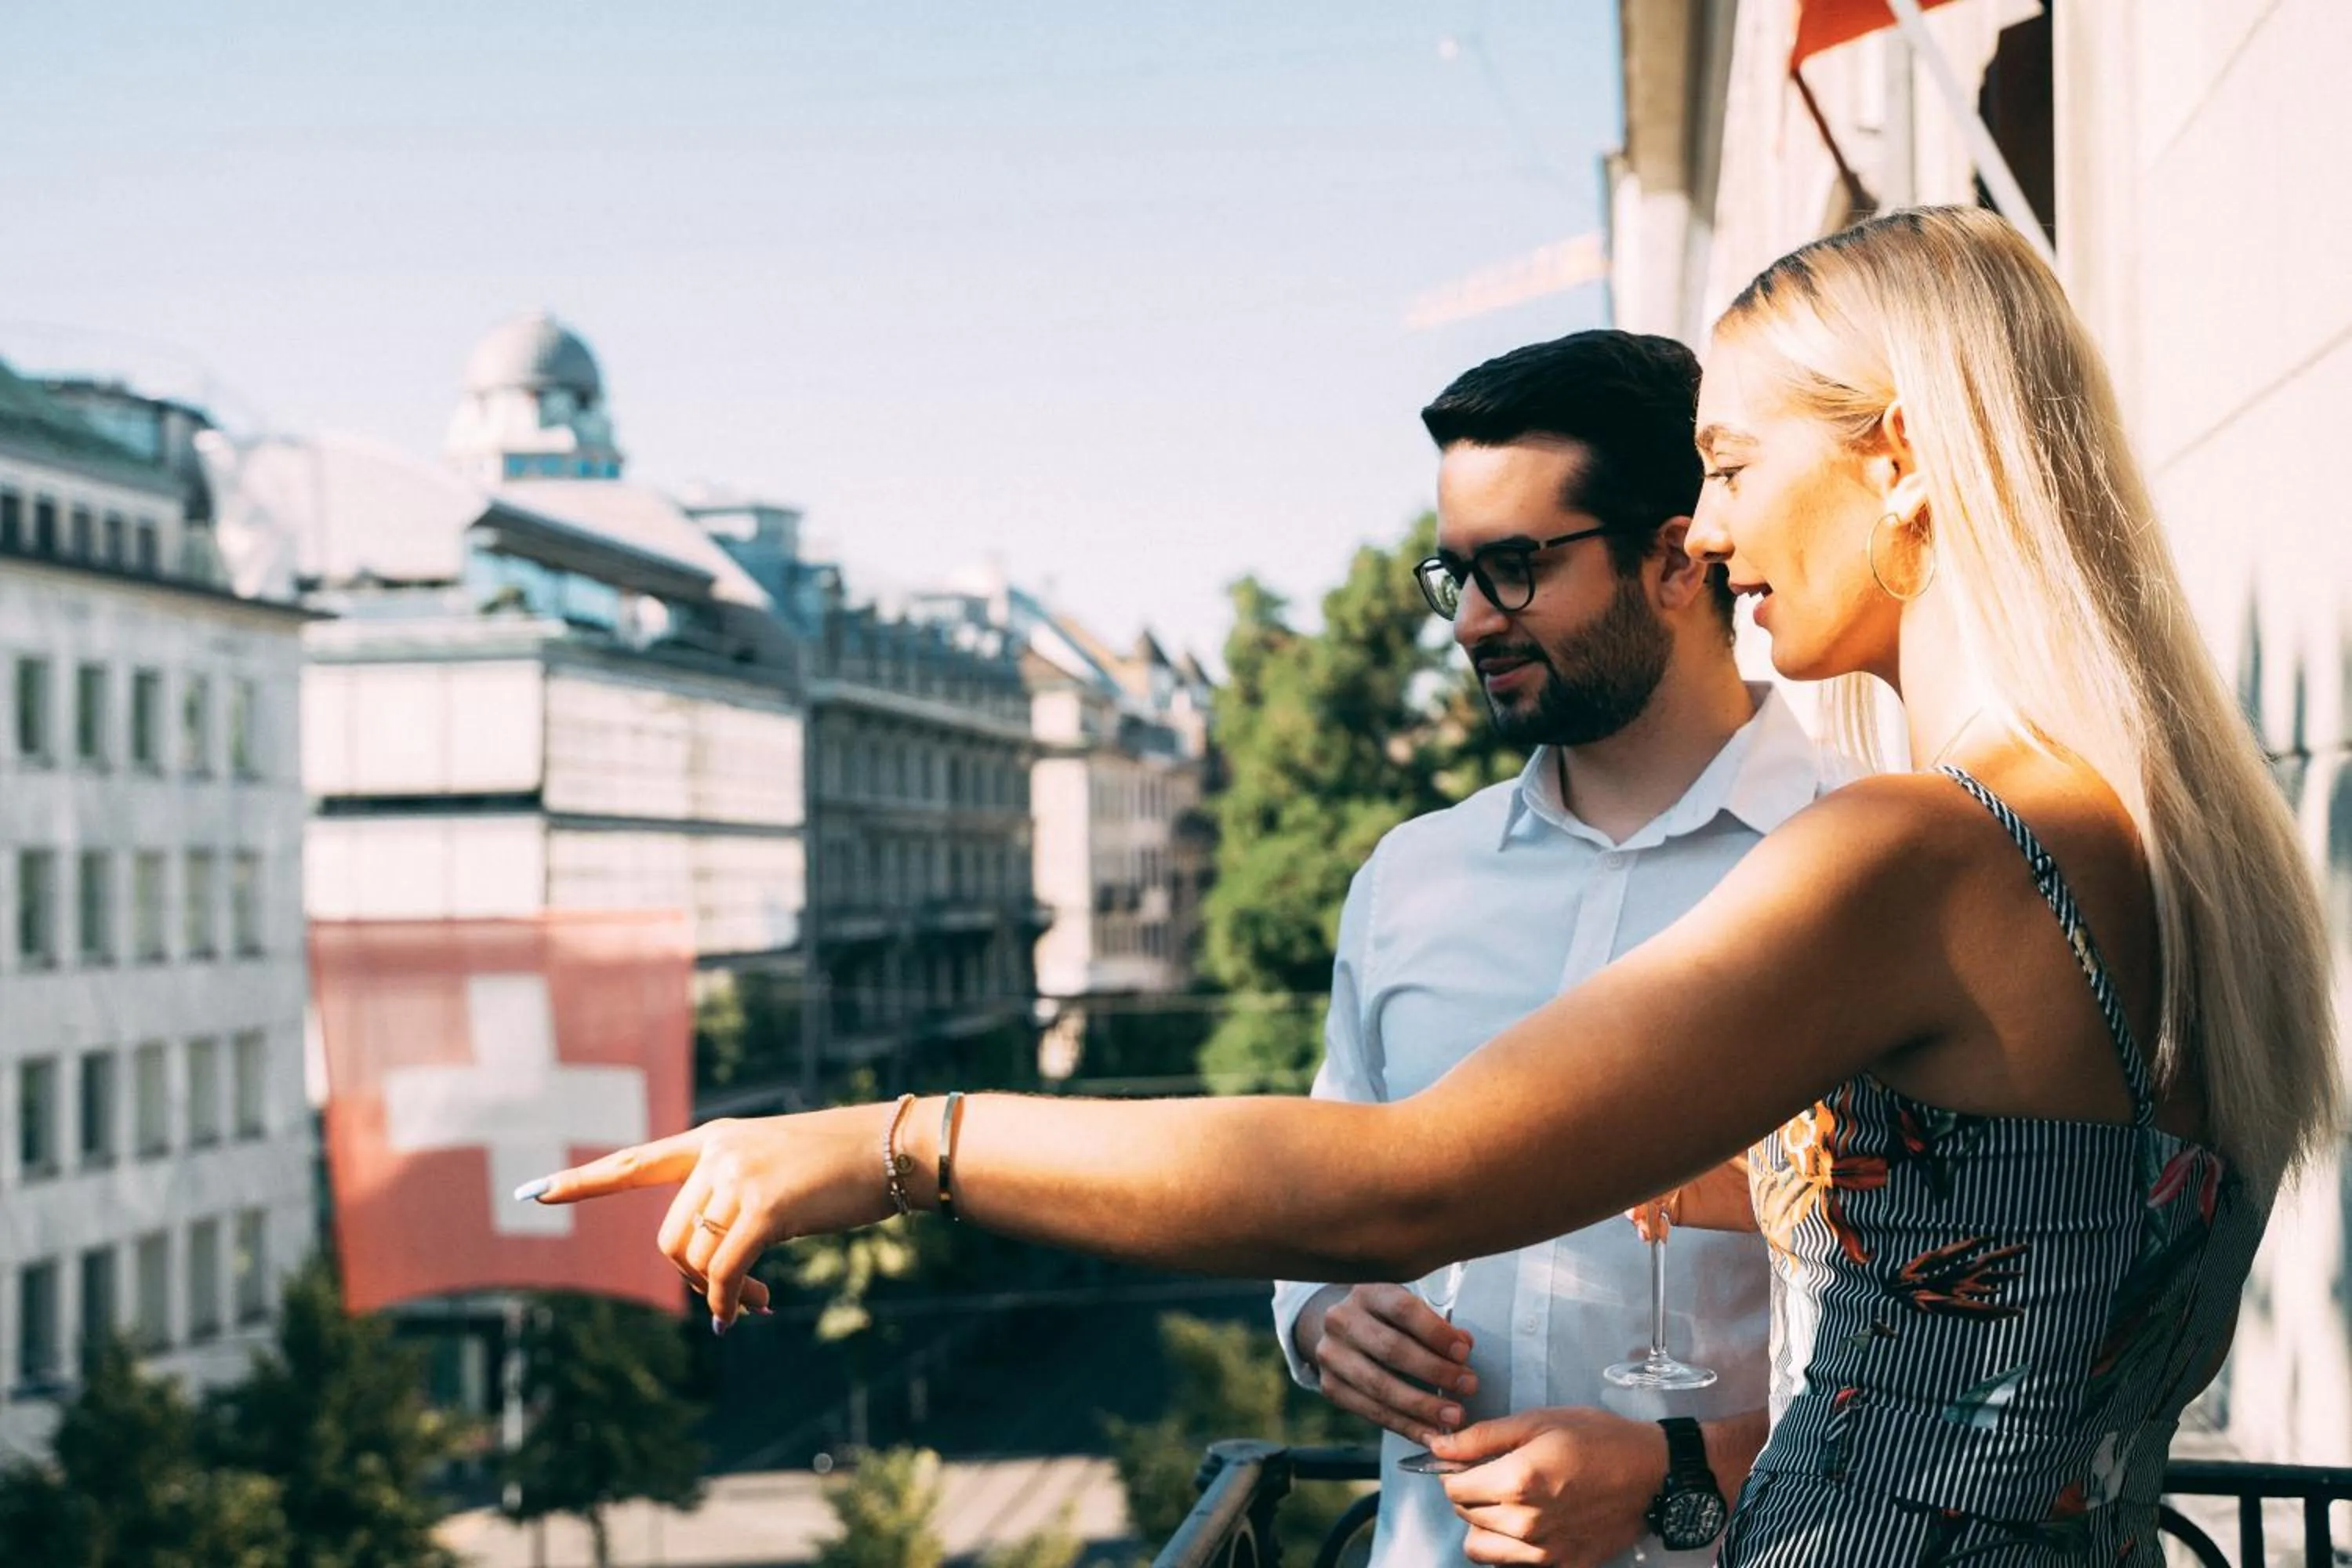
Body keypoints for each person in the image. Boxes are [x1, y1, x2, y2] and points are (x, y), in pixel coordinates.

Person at [517, 207, 2340, 1564]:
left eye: (1727, 467)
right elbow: (2009, 1262)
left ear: (1907, 464)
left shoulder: (1915, 846)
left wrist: (896, 1144)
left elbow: (1400, 1181)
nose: (1702, 533)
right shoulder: (2123, 828)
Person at [1273, 329, 1842, 1568]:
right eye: (1459, 575)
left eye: (1519, 568)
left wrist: (1680, 1470)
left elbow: (1947, 1351)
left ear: (1677, 559)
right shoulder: (1409, 881)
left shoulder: (1855, 868)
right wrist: (1319, 1314)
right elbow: (1330, 1189)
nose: (1473, 622)